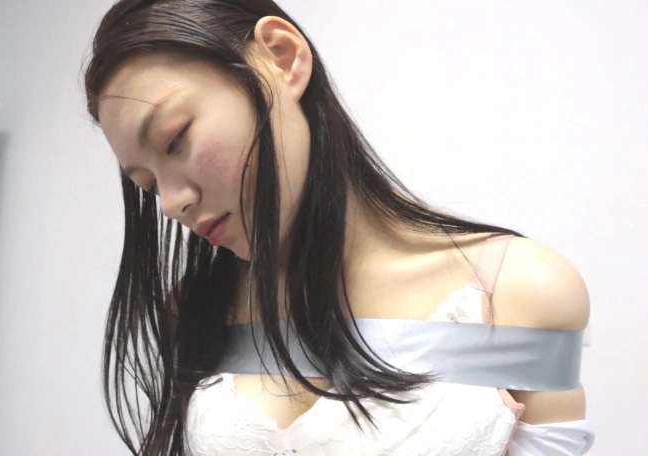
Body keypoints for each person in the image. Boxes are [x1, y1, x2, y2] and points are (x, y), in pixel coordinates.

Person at [84, 1, 594, 454]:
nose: (172, 202)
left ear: (281, 57)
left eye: (175, 140)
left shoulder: (521, 292)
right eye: (148, 184)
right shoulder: (196, 310)